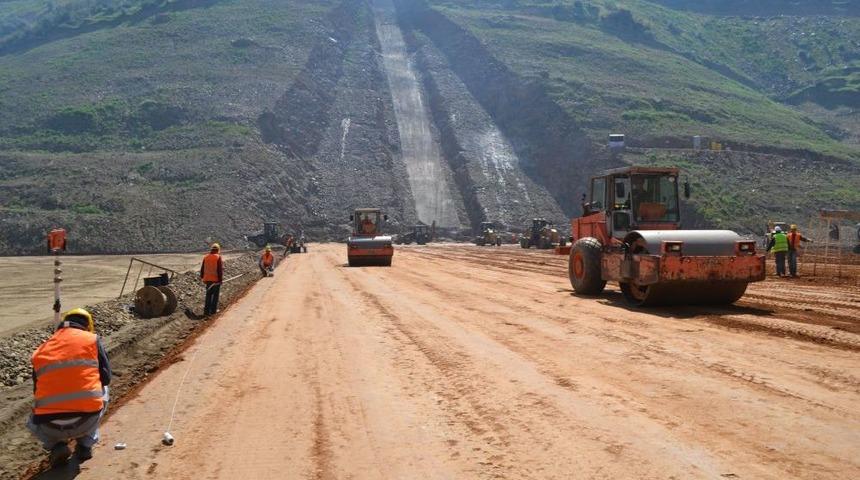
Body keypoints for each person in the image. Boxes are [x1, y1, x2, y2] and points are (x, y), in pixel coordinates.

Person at [27, 308, 111, 466]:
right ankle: (85, 445)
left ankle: (56, 445)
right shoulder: (92, 340)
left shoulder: (41, 349)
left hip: (49, 426)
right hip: (86, 421)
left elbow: (36, 390)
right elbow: (106, 378)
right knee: (103, 389)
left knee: (33, 412)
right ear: (88, 326)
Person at [200, 243, 224, 316]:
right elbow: (219, 270)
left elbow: (202, 268)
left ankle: (206, 312)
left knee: (208, 295)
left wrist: (202, 277)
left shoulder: (206, 257)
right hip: (215, 281)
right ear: (218, 250)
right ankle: (213, 311)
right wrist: (220, 280)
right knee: (215, 296)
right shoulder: (218, 257)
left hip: (207, 280)